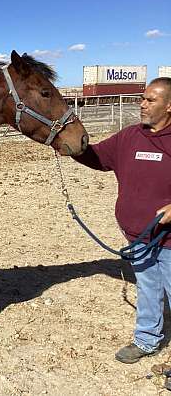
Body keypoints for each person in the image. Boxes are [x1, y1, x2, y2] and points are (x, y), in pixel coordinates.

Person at [73, 77, 171, 364]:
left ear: (169, 106)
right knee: (149, 288)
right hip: (138, 236)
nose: (142, 104)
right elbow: (99, 157)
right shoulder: (130, 137)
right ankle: (147, 339)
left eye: (150, 100)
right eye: (142, 98)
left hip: (169, 239)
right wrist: (71, 147)